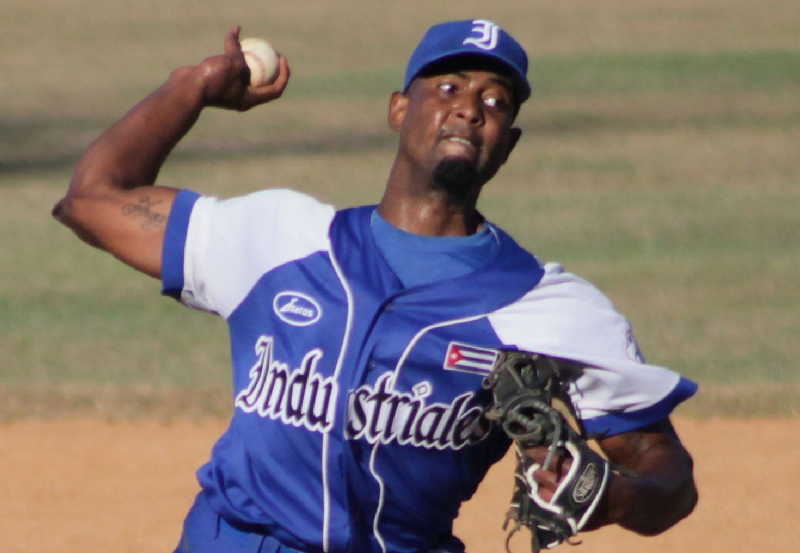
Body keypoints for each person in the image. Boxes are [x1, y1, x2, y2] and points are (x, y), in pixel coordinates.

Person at [53, 19, 698, 553]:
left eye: (496, 102)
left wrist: (608, 495)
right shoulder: (277, 237)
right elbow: (92, 200)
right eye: (447, 86)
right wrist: (190, 87)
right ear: (398, 110)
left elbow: (669, 478)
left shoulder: (551, 309)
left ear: (510, 141)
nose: (470, 108)